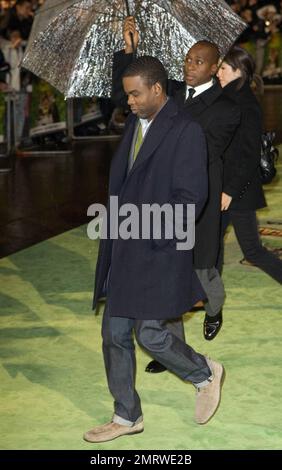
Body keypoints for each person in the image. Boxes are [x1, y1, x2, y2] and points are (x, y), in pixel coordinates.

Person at [84, 56, 225, 443]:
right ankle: (126, 415)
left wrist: (151, 232)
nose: (127, 101)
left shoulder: (186, 131)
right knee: (113, 333)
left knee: (150, 335)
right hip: (123, 246)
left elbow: (192, 197)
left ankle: (205, 373)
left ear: (157, 90)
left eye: (134, 94)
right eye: (127, 93)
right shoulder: (135, 122)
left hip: (157, 247)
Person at [112, 18, 241, 376]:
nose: (189, 66)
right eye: (186, 60)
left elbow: (205, 151)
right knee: (170, 271)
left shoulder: (226, 107)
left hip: (200, 194)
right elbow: (134, 90)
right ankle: (171, 348)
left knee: (201, 268)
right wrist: (130, 50)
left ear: (215, 68)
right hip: (162, 197)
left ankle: (214, 307)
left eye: (198, 62)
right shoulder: (171, 94)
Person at [217, 45, 282, 284]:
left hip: (237, 192)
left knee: (253, 250)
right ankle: (207, 293)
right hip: (227, 188)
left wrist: (230, 191)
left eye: (223, 68)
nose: (218, 73)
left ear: (238, 71)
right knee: (210, 243)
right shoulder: (230, 98)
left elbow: (249, 154)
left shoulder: (245, 105)